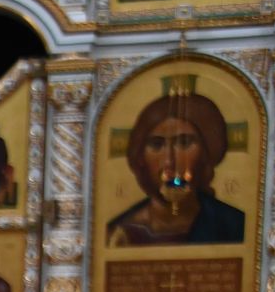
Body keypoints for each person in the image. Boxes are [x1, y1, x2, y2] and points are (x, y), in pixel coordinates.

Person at [105, 88, 247, 246]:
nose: (169, 161)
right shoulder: (119, 232)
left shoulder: (234, 226)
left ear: (207, 152)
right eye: (157, 144)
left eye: (184, 143)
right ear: (140, 157)